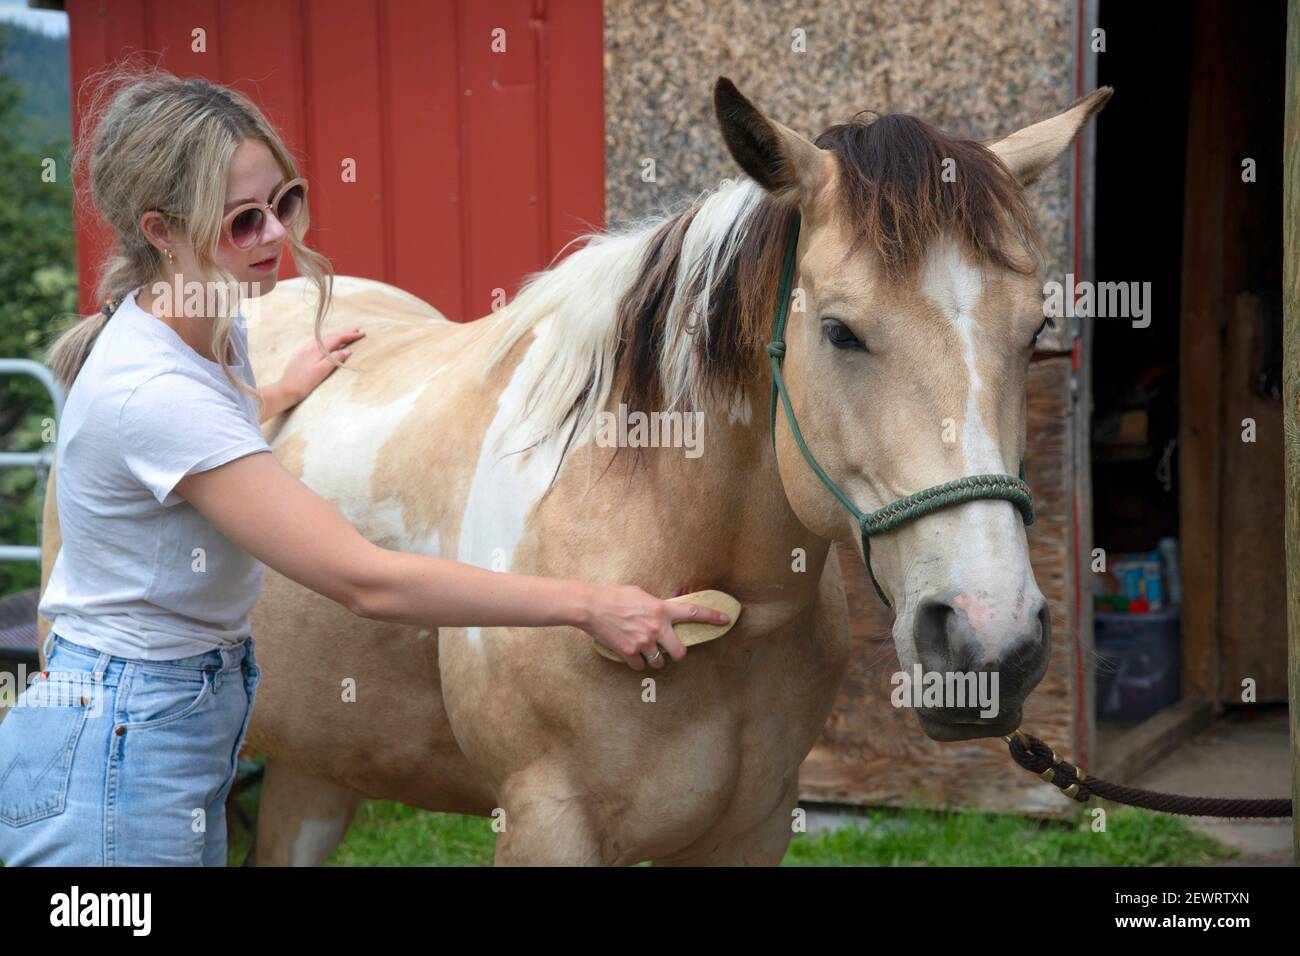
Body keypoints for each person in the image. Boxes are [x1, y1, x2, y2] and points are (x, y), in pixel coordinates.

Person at [0, 66, 726, 867]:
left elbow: (204, 434)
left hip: (164, 723)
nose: (276, 237)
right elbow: (366, 580)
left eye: (285, 203)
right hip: (120, 749)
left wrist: (276, 388)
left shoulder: (210, 325)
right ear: (162, 232)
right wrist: (591, 605)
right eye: (242, 222)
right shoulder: (157, 392)